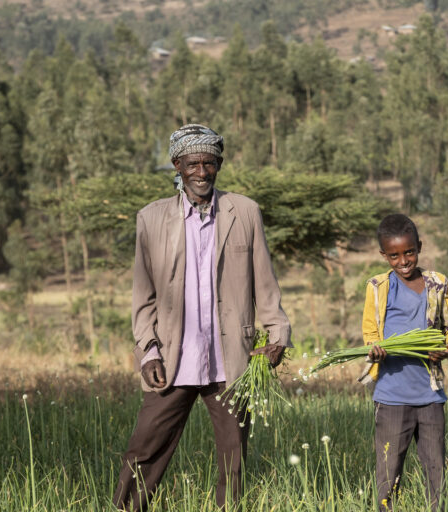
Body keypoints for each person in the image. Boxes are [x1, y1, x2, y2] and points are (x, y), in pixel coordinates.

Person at [113, 124, 291, 511]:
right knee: (144, 451)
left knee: (234, 459)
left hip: (232, 360)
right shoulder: (151, 218)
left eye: (210, 163)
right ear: (177, 165)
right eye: (193, 163)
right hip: (171, 362)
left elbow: (265, 281)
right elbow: (143, 297)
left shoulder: (244, 211)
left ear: (219, 165)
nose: (201, 172)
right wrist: (148, 352)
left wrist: (277, 335)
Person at [359, 213, 448, 511]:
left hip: (430, 396)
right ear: (384, 255)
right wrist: (374, 349)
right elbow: (370, 333)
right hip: (391, 397)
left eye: (409, 252)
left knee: (436, 472)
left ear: (419, 246)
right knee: (387, 477)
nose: (403, 260)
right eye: (394, 255)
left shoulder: (438, 284)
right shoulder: (377, 287)